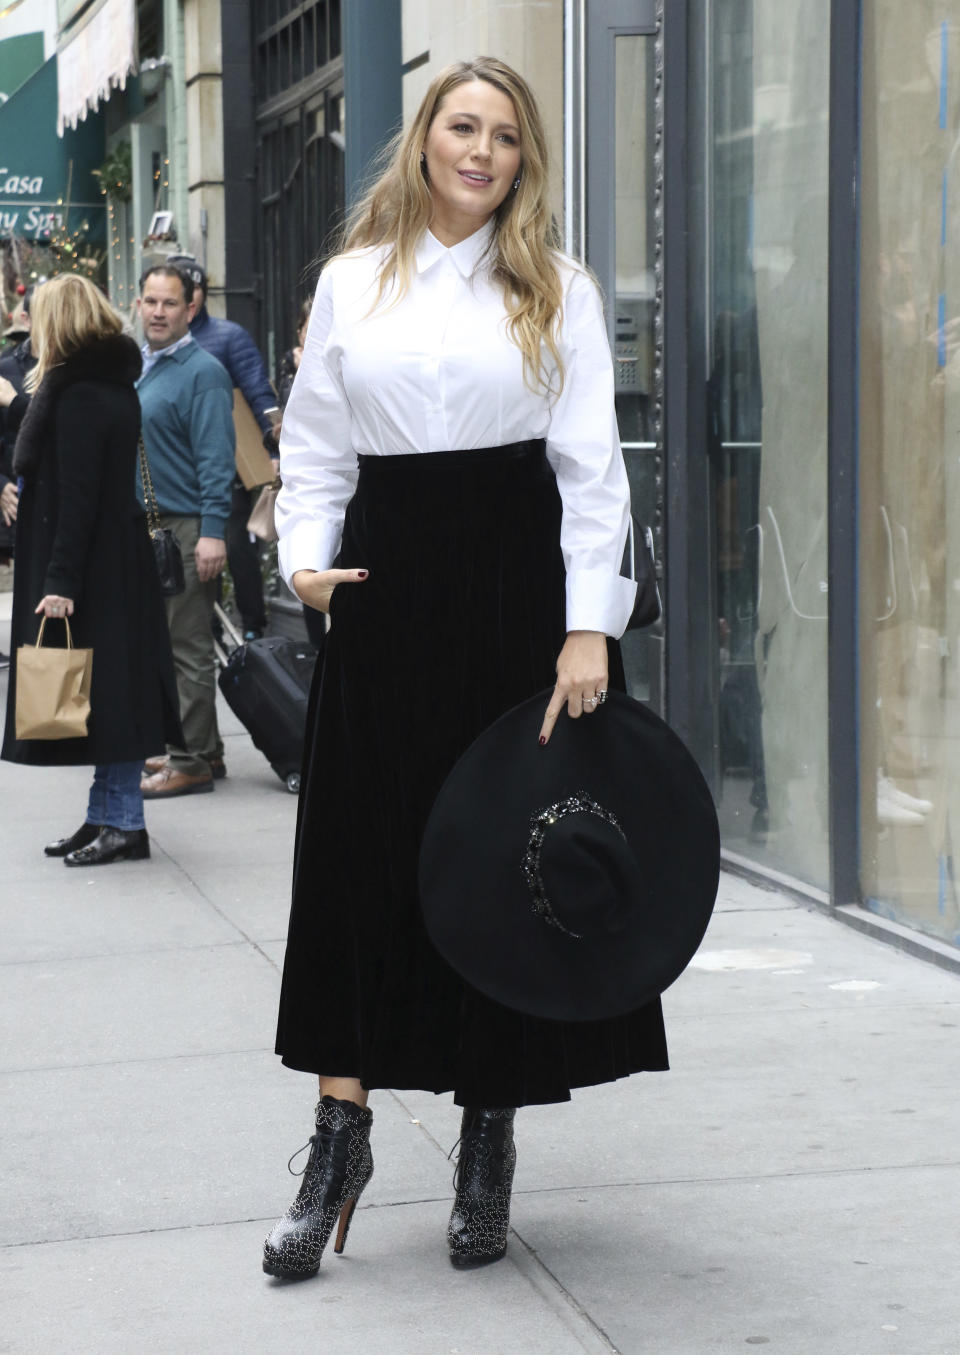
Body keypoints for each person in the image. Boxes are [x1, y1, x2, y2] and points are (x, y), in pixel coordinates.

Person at [262, 56, 668, 1281]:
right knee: (356, 859)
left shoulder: (560, 288)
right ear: (424, 138)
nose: (481, 149)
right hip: (384, 599)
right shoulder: (351, 282)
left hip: (513, 601)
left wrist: (589, 624)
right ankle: (341, 1137)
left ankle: (487, 1134)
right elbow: (318, 450)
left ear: (522, 157)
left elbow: (592, 469)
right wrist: (304, 563)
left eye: (503, 134)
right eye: (461, 125)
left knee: (502, 863)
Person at [0, 275, 181, 865]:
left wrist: (59, 585)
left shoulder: (79, 395)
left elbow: (77, 498)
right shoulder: (98, 384)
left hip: (95, 570)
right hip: (110, 565)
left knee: (113, 699)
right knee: (111, 698)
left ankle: (123, 822)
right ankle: (106, 815)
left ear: (59, 322)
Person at [135, 265, 236, 799]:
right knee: (173, 643)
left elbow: (216, 459)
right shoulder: (150, 367)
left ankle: (191, 760)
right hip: (158, 528)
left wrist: (212, 531)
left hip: (187, 527)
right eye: (150, 301)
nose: (157, 312)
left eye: (169, 303)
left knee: (187, 647)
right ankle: (203, 749)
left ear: (190, 310)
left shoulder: (203, 372)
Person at [165, 254, 281, 641]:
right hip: (177, 470)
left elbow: (258, 391)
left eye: (188, 286)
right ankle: (206, 626)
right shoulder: (161, 344)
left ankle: (252, 626)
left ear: (198, 294)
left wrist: (275, 449)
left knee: (234, 547)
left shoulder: (228, 337)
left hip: (225, 467)